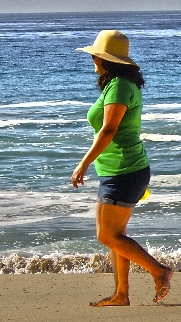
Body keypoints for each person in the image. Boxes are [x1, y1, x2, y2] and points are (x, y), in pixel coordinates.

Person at [71, 30, 173, 306]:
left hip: (124, 171)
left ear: (106, 59)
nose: (92, 58)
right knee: (116, 236)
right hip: (117, 171)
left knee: (108, 235)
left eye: (96, 54)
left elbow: (109, 130)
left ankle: (159, 271)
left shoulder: (119, 86)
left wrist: (84, 163)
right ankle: (121, 294)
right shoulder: (117, 84)